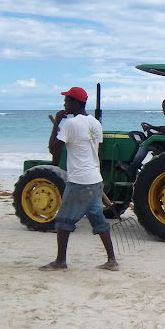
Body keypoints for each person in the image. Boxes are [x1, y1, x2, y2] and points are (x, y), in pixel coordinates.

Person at [39, 87, 118, 271]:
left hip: (80, 181)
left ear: (75, 102)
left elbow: (53, 149)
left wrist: (57, 121)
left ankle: (60, 261)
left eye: (66, 101)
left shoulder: (70, 124)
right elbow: (97, 152)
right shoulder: (95, 123)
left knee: (63, 221)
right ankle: (112, 260)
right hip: (95, 179)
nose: (64, 104)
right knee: (98, 219)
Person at [119, 98, 165, 175]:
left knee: (144, 145)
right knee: (146, 142)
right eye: (162, 108)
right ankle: (139, 165)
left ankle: (132, 167)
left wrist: (154, 134)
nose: (163, 110)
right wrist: (152, 129)